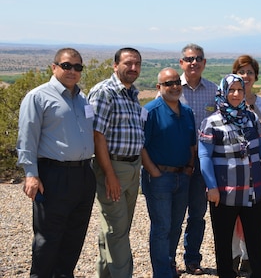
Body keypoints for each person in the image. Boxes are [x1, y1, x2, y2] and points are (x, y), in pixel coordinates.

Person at [16, 48, 96, 278]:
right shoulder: (38, 97)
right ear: (54, 67)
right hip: (53, 174)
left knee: (74, 235)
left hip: (83, 174)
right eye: (66, 65)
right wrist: (31, 173)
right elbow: (26, 138)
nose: (72, 71)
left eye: (78, 67)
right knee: (48, 237)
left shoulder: (83, 99)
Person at [198, 74, 261, 278]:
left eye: (240, 90)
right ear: (223, 92)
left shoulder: (251, 118)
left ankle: (260, 274)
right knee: (223, 242)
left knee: (256, 241)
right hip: (224, 194)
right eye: (231, 90)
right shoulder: (211, 122)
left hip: (253, 192)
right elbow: (204, 155)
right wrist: (211, 186)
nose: (236, 94)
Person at [88, 47, 146, 278]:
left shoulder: (131, 94)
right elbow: (96, 135)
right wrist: (109, 174)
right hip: (113, 168)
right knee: (118, 231)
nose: (133, 68)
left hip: (132, 167)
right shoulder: (104, 92)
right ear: (115, 65)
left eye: (137, 64)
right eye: (128, 63)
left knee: (114, 230)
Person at [141, 68, 197, 278]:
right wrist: (153, 171)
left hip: (182, 176)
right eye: (168, 83)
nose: (174, 87)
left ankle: (169, 265)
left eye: (177, 83)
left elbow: (192, 144)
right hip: (159, 178)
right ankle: (162, 273)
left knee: (175, 226)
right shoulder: (150, 111)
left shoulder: (187, 112)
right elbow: (141, 145)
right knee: (162, 227)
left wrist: (190, 166)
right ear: (159, 87)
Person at [178, 43, 218, 275]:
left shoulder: (214, 91)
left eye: (198, 58)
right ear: (181, 63)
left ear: (204, 63)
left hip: (203, 164)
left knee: (197, 215)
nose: (194, 62)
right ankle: (167, 261)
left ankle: (192, 259)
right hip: (176, 162)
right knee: (173, 216)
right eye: (189, 58)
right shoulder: (171, 88)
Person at [231, 55, 261, 274]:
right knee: (232, 213)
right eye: (241, 72)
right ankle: (233, 255)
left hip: (258, 168)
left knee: (257, 214)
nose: (245, 76)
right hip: (231, 169)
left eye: (249, 72)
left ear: (256, 76)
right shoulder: (225, 103)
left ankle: (250, 257)